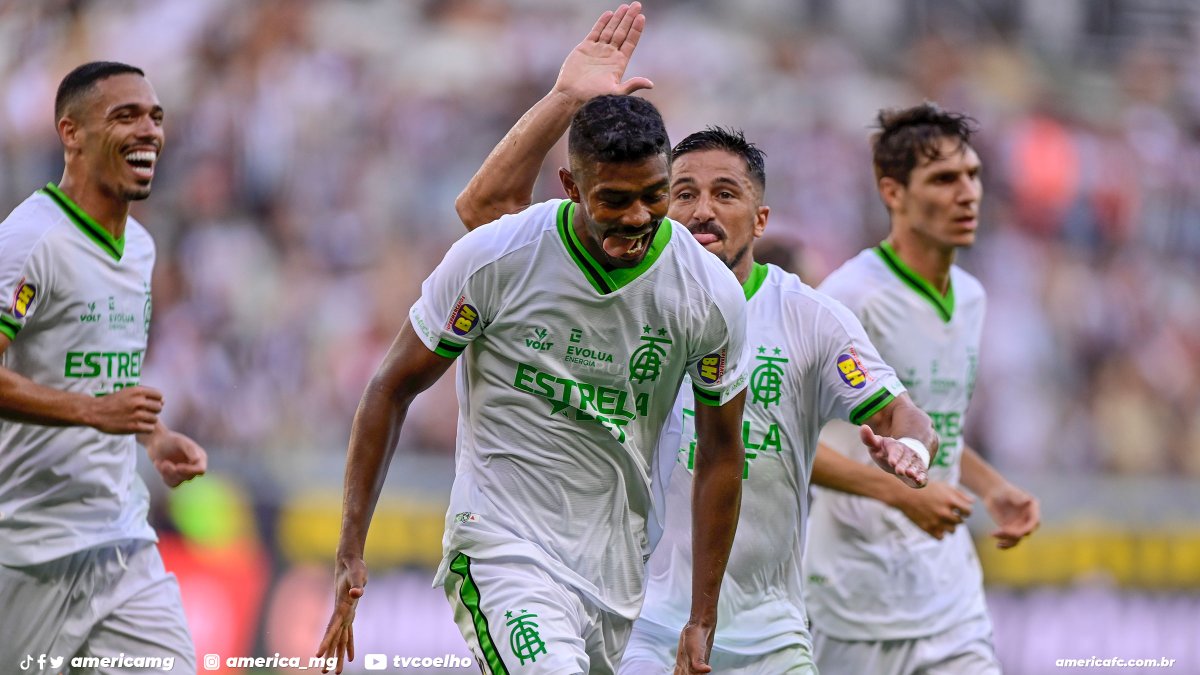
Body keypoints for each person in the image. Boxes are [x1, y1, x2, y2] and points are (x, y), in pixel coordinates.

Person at [454, 6, 941, 673]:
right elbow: (485, 218)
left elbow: (891, 412)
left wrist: (909, 449)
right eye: (683, 191)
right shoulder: (614, 287)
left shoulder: (809, 318)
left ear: (761, 216)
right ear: (655, 199)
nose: (703, 209)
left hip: (770, 627)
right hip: (642, 618)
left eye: (725, 193)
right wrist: (564, 101)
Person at [315, 7, 751, 675]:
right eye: (614, 200)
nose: (637, 217)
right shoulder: (500, 257)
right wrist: (350, 545)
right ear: (571, 186)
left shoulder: (707, 293)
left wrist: (702, 613)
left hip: (614, 576)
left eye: (654, 195)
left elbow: (723, 450)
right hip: (500, 547)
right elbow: (391, 385)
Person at [804, 103, 1041, 675]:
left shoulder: (973, 296)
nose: (968, 193)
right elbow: (783, 445)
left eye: (973, 175)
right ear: (893, 191)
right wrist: (902, 494)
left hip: (949, 594)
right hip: (854, 601)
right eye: (943, 179)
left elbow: (942, 426)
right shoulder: (849, 298)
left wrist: (990, 487)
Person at [0, 61, 207, 674]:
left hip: (122, 546)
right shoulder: (30, 241)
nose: (149, 131)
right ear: (72, 133)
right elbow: (91, 401)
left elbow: (102, 379)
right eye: (126, 116)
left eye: (155, 117)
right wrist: (91, 414)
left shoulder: (140, 247)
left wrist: (151, 436)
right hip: (28, 549)